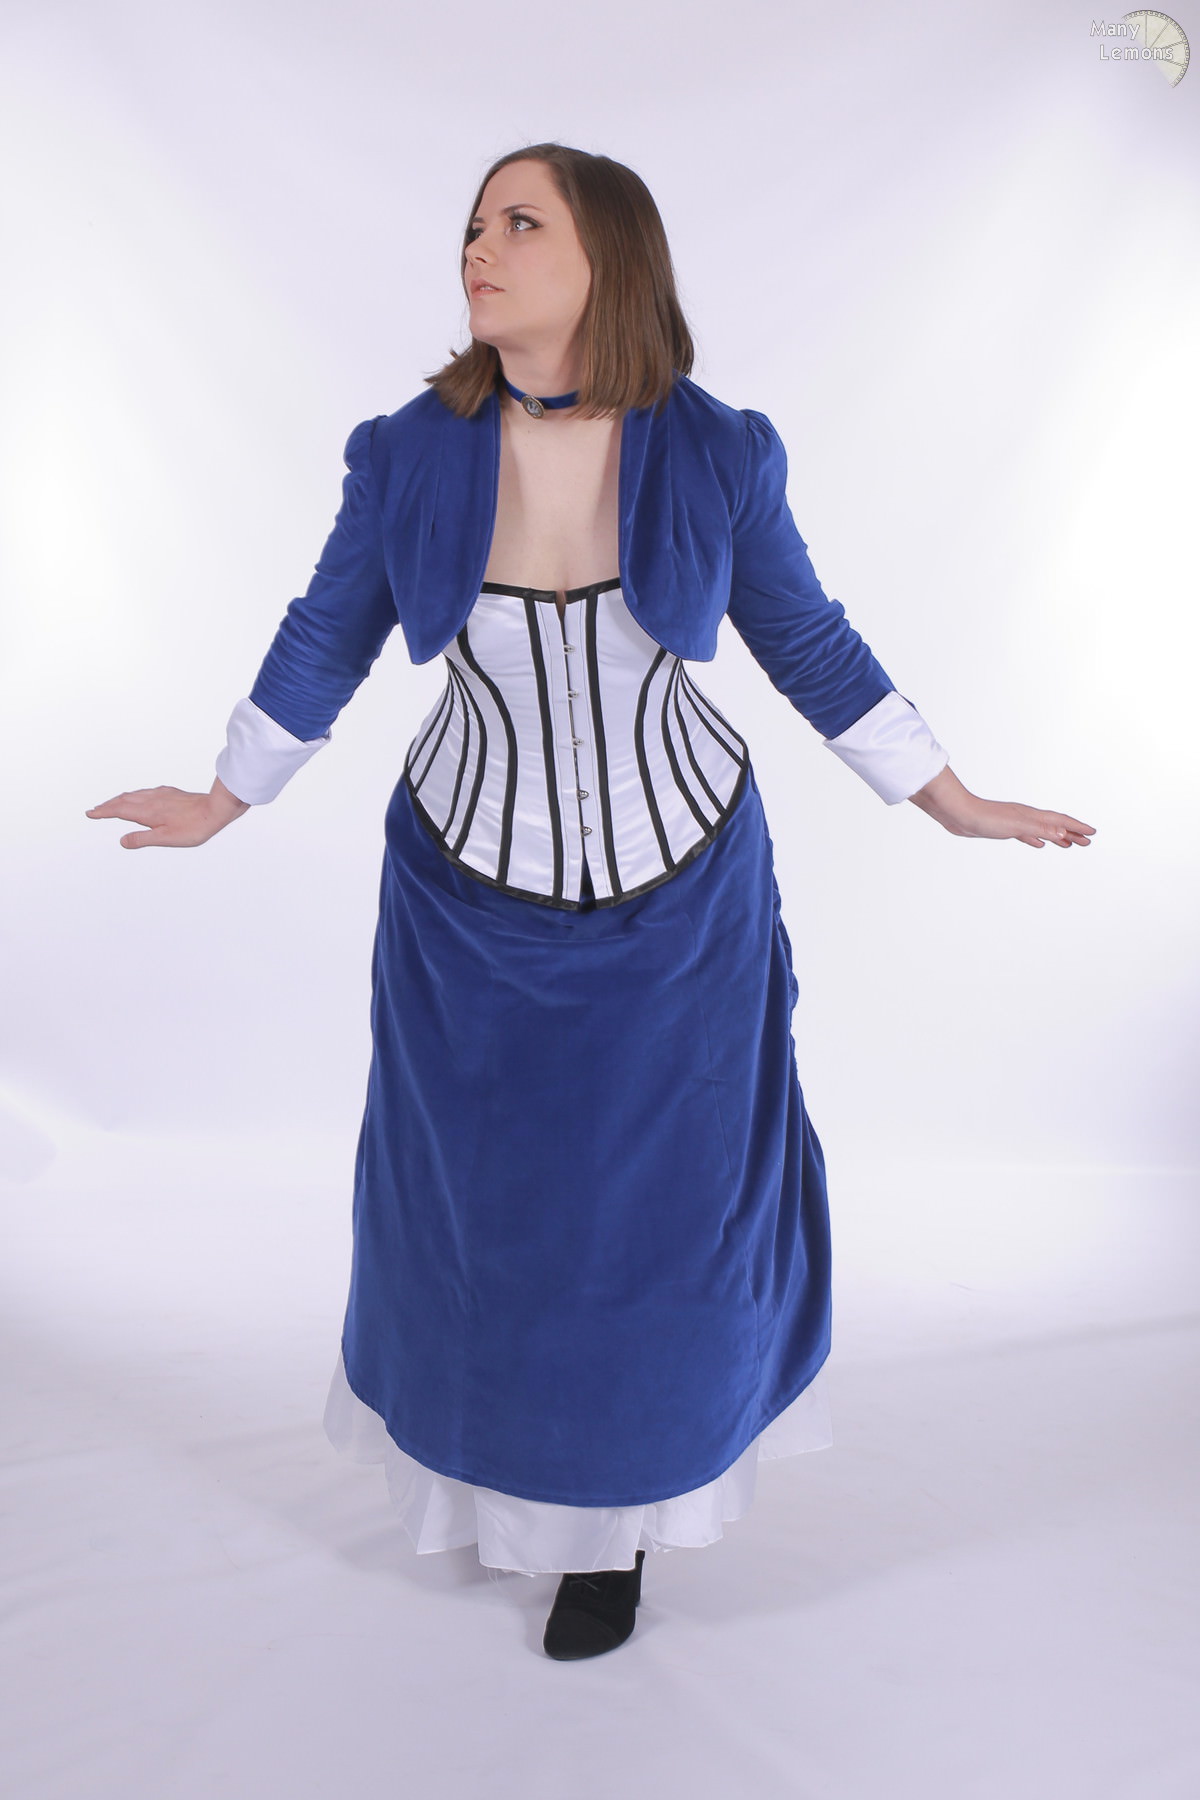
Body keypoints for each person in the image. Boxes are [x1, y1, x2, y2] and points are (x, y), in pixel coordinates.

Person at [86, 143, 1096, 1662]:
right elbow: (330, 628)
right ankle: (501, 1488)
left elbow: (806, 639)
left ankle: (615, 1535)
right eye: (472, 226)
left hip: (684, 904)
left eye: (519, 223)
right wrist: (226, 794)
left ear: (607, 257)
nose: (478, 249)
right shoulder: (408, 451)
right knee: (481, 1214)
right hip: (463, 902)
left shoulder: (719, 450)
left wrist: (954, 800)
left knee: (664, 1224)